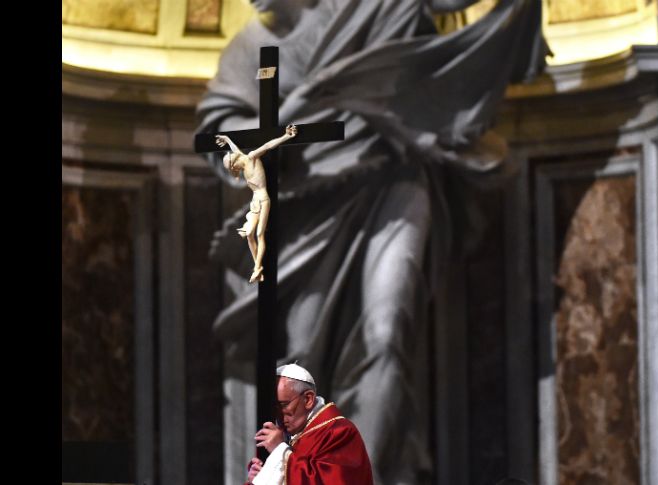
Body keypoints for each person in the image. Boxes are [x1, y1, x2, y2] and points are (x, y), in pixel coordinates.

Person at [197, 1, 548, 482]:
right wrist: (263, 143)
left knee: (387, 332)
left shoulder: (380, 5)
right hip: (307, 211)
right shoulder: (251, 47)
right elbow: (217, 133)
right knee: (302, 359)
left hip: (394, 182)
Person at [244, 364, 374, 485]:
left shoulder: (340, 432)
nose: (278, 414)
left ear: (308, 399)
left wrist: (280, 451)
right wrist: (258, 478)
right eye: (274, 407)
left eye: (283, 405)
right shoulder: (285, 435)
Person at [215, 124, 298, 283]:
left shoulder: (251, 157)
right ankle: (257, 267)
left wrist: (286, 136)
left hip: (263, 199)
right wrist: (227, 139)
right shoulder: (242, 160)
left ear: (236, 162)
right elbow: (235, 150)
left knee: (260, 234)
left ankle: (258, 268)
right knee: (249, 235)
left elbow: (267, 146)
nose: (236, 170)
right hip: (255, 201)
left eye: (233, 167)